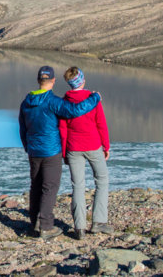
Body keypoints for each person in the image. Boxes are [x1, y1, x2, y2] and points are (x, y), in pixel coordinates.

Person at [19, 66, 100, 240]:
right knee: (50, 187)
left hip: (34, 151)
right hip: (51, 150)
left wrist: (28, 147)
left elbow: (22, 129)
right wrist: (95, 98)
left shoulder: (26, 102)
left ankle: (35, 224)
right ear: (53, 81)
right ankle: (46, 226)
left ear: (39, 80)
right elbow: (74, 111)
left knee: (36, 186)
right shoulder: (52, 101)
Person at [58, 67, 113, 240]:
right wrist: (106, 146)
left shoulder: (64, 102)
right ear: (82, 80)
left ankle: (79, 227)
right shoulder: (93, 99)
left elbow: (62, 129)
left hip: (74, 148)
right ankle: (98, 222)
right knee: (102, 180)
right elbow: (101, 124)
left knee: (78, 186)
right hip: (93, 145)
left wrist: (64, 151)